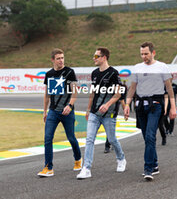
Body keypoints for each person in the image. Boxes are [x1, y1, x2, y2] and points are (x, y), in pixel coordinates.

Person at [124, 42, 176, 181]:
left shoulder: (162, 67)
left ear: (153, 53)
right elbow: (132, 88)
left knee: (150, 136)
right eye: (141, 54)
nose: (143, 56)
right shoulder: (137, 68)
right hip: (140, 106)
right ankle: (155, 164)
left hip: (156, 105)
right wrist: (127, 104)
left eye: (146, 53)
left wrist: (173, 107)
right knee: (147, 138)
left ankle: (148, 169)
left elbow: (169, 89)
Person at [77, 47, 127, 179]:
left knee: (112, 139)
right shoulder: (94, 73)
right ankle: (86, 168)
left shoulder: (113, 73)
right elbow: (93, 93)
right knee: (89, 139)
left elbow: (118, 94)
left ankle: (121, 158)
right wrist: (88, 109)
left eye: (96, 56)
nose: (94, 58)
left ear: (104, 57)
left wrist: (107, 105)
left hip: (109, 114)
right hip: (94, 113)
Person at [37, 48, 82, 177]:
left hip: (67, 111)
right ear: (53, 60)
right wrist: (45, 111)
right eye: (58, 58)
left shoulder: (69, 72)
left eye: (62, 58)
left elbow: (75, 91)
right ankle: (48, 167)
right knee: (47, 138)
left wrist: (70, 105)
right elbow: (47, 94)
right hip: (53, 111)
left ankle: (78, 159)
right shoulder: (49, 74)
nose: (61, 60)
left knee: (71, 138)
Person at [104, 83, 126, 153]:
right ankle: (111, 143)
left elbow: (122, 102)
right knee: (110, 129)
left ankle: (107, 145)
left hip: (113, 112)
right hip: (104, 110)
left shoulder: (120, 90)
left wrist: (125, 112)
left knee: (110, 128)